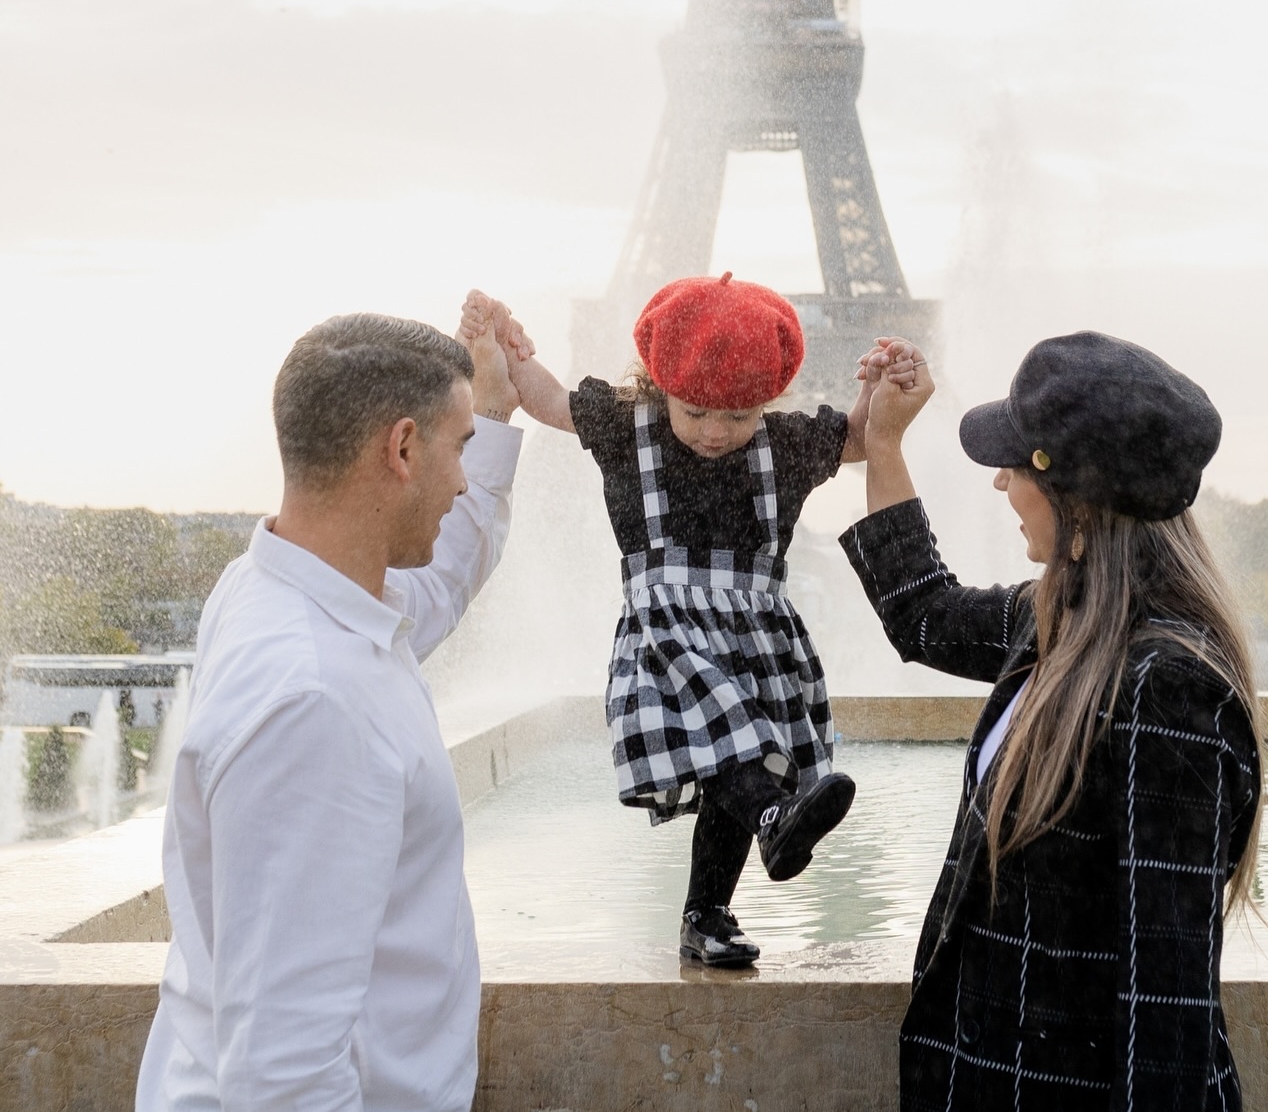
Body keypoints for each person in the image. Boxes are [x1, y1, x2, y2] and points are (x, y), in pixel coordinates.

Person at [841, 330, 1261, 1111]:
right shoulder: (1062, 623)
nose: (999, 480)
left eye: (1015, 461)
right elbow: (922, 613)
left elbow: (1165, 1004)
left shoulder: (1167, 689)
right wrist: (884, 442)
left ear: (1073, 492)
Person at [135, 294, 523, 1112]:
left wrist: (487, 402)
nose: (463, 477)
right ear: (403, 448)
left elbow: (439, 581)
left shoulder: (284, 590)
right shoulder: (314, 701)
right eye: (462, 446)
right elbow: (283, 1076)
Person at [497, 271, 910, 969]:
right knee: (733, 748)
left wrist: (874, 386)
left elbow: (859, 440)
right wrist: (510, 348)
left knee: (738, 764)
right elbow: (549, 400)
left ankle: (707, 913)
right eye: (696, 412)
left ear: (767, 401)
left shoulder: (786, 444)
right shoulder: (628, 426)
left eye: (739, 415)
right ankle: (777, 819)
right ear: (659, 388)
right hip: (668, 634)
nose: (717, 431)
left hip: (756, 633)